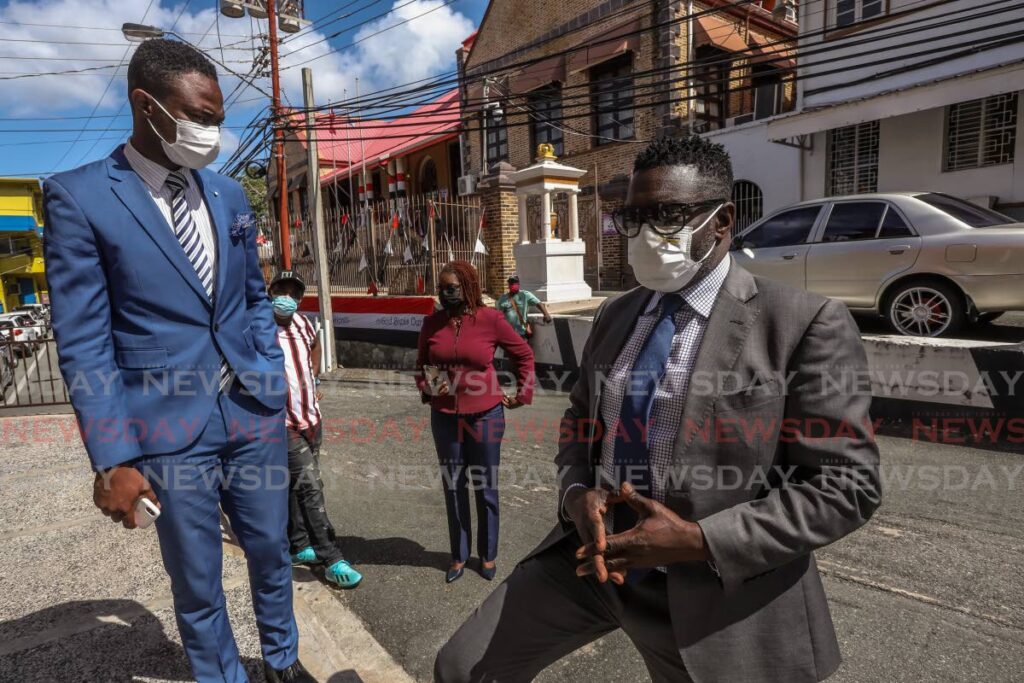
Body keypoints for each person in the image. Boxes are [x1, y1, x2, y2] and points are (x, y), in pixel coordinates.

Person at [434, 135, 882, 682]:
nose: (647, 235)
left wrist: (699, 540)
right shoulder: (617, 315)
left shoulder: (802, 324)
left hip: (716, 592)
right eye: (635, 217)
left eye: (668, 216)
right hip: (594, 563)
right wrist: (577, 492)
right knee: (463, 668)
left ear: (722, 221)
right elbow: (581, 422)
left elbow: (846, 486)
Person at [43, 39, 315, 683]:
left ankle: (281, 660)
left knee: (273, 552)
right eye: (200, 116)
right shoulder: (79, 198)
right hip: (168, 432)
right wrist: (113, 458)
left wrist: (269, 378)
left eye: (219, 117)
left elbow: (253, 297)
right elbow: (85, 342)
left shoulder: (226, 196)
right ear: (146, 105)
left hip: (251, 413)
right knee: (198, 582)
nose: (213, 131)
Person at [415, 261, 535, 584]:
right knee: (453, 487)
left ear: (467, 287)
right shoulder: (432, 324)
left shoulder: (490, 319)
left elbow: (523, 355)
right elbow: (421, 365)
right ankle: (458, 554)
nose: (444, 294)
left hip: (485, 415)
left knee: (486, 487)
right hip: (444, 418)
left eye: (451, 288)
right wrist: (428, 388)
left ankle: (488, 553)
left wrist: (523, 393)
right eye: (440, 288)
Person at [269, 270, 363, 590]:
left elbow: (315, 347)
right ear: (270, 292)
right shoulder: (257, 328)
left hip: (312, 418)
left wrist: (314, 378)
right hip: (283, 424)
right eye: (280, 290)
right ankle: (331, 557)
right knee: (311, 486)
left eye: (293, 292)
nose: (286, 297)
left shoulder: (304, 323)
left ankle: (297, 544)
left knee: (299, 486)